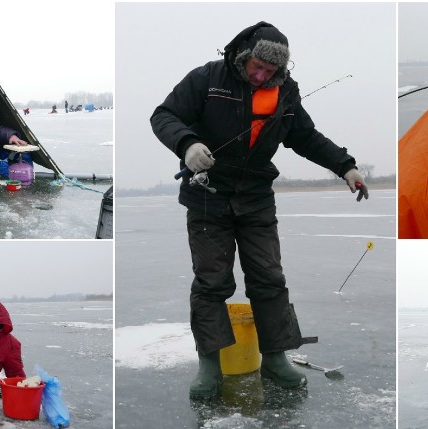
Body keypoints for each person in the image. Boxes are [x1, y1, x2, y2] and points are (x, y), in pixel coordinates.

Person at [150, 21, 369, 399]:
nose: (261, 75)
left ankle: (275, 357)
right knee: (211, 281)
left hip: (255, 197)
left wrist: (345, 167)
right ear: (243, 56)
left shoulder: (284, 91)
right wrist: (187, 145)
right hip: (207, 196)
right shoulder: (207, 78)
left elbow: (305, 136)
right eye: (257, 66)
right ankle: (210, 364)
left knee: (269, 278)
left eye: (270, 71)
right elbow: (164, 116)